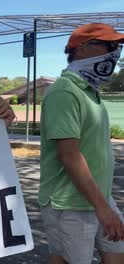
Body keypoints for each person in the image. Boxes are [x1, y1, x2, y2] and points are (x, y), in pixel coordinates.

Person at [39, 23, 124, 264]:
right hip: (69, 205)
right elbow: (70, 155)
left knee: (117, 253)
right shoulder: (64, 92)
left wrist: (104, 204)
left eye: (117, 46)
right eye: (109, 45)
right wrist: (103, 208)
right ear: (82, 49)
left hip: (99, 197)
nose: (115, 53)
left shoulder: (90, 91)